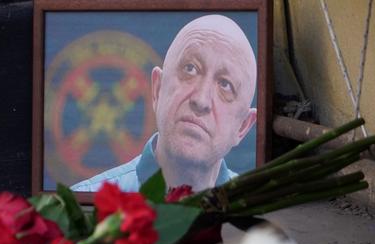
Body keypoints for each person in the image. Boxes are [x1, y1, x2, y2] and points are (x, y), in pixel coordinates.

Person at [71, 14, 257, 192]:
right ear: (157, 89)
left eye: (225, 85)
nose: (201, 100)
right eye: (190, 69)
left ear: (243, 127)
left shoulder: (263, 216)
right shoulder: (79, 209)